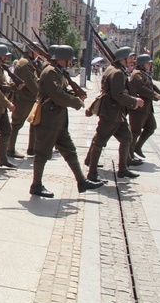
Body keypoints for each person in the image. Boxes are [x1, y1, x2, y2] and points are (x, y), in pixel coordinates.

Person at [29, 45, 104, 198]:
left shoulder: (57, 72)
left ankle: (81, 181)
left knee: (70, 151)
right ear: (63, 59)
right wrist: (76, 102)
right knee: (42, 153)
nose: (71, 62)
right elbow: (57, 95)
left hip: (57, 120)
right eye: (69, 59)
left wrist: (73, 94)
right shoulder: (50, 72)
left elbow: (61, 92)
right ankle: (36, 185)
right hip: (48, 119)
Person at [85, 46, 144, 182]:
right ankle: (92, 173)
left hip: (116, 113)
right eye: (130, 58)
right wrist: (134, 101)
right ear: (122, 59)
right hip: (111, 112)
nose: (132, 60)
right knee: (99, 141)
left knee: (126, 138)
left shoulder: (114, 70)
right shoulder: (117, 72)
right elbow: (118, 94)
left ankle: (123, 169)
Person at [7, 44, 40, 158]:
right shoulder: (25, 64)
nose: (38, 54)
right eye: (36, 51)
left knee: (35, 122)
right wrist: (40, 94)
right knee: (16, 124)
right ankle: (9, 149)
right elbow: (30, 83)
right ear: (31, 52)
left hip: (28, 98)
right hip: (24, 98)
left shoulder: (27, 63)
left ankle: (32, 148)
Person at [129, 54, 160, 159]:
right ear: (142, 63)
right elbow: (141, 88)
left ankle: (137, 147)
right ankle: (129, 155)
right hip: (139, 108)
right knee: (135, 131)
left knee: (151, 127)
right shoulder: (136, 75)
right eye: (148, 63)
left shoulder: (144, 74)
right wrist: (154, 95)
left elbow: (151, 85)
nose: (150, 65)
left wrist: (159, 93)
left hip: (146, 108)